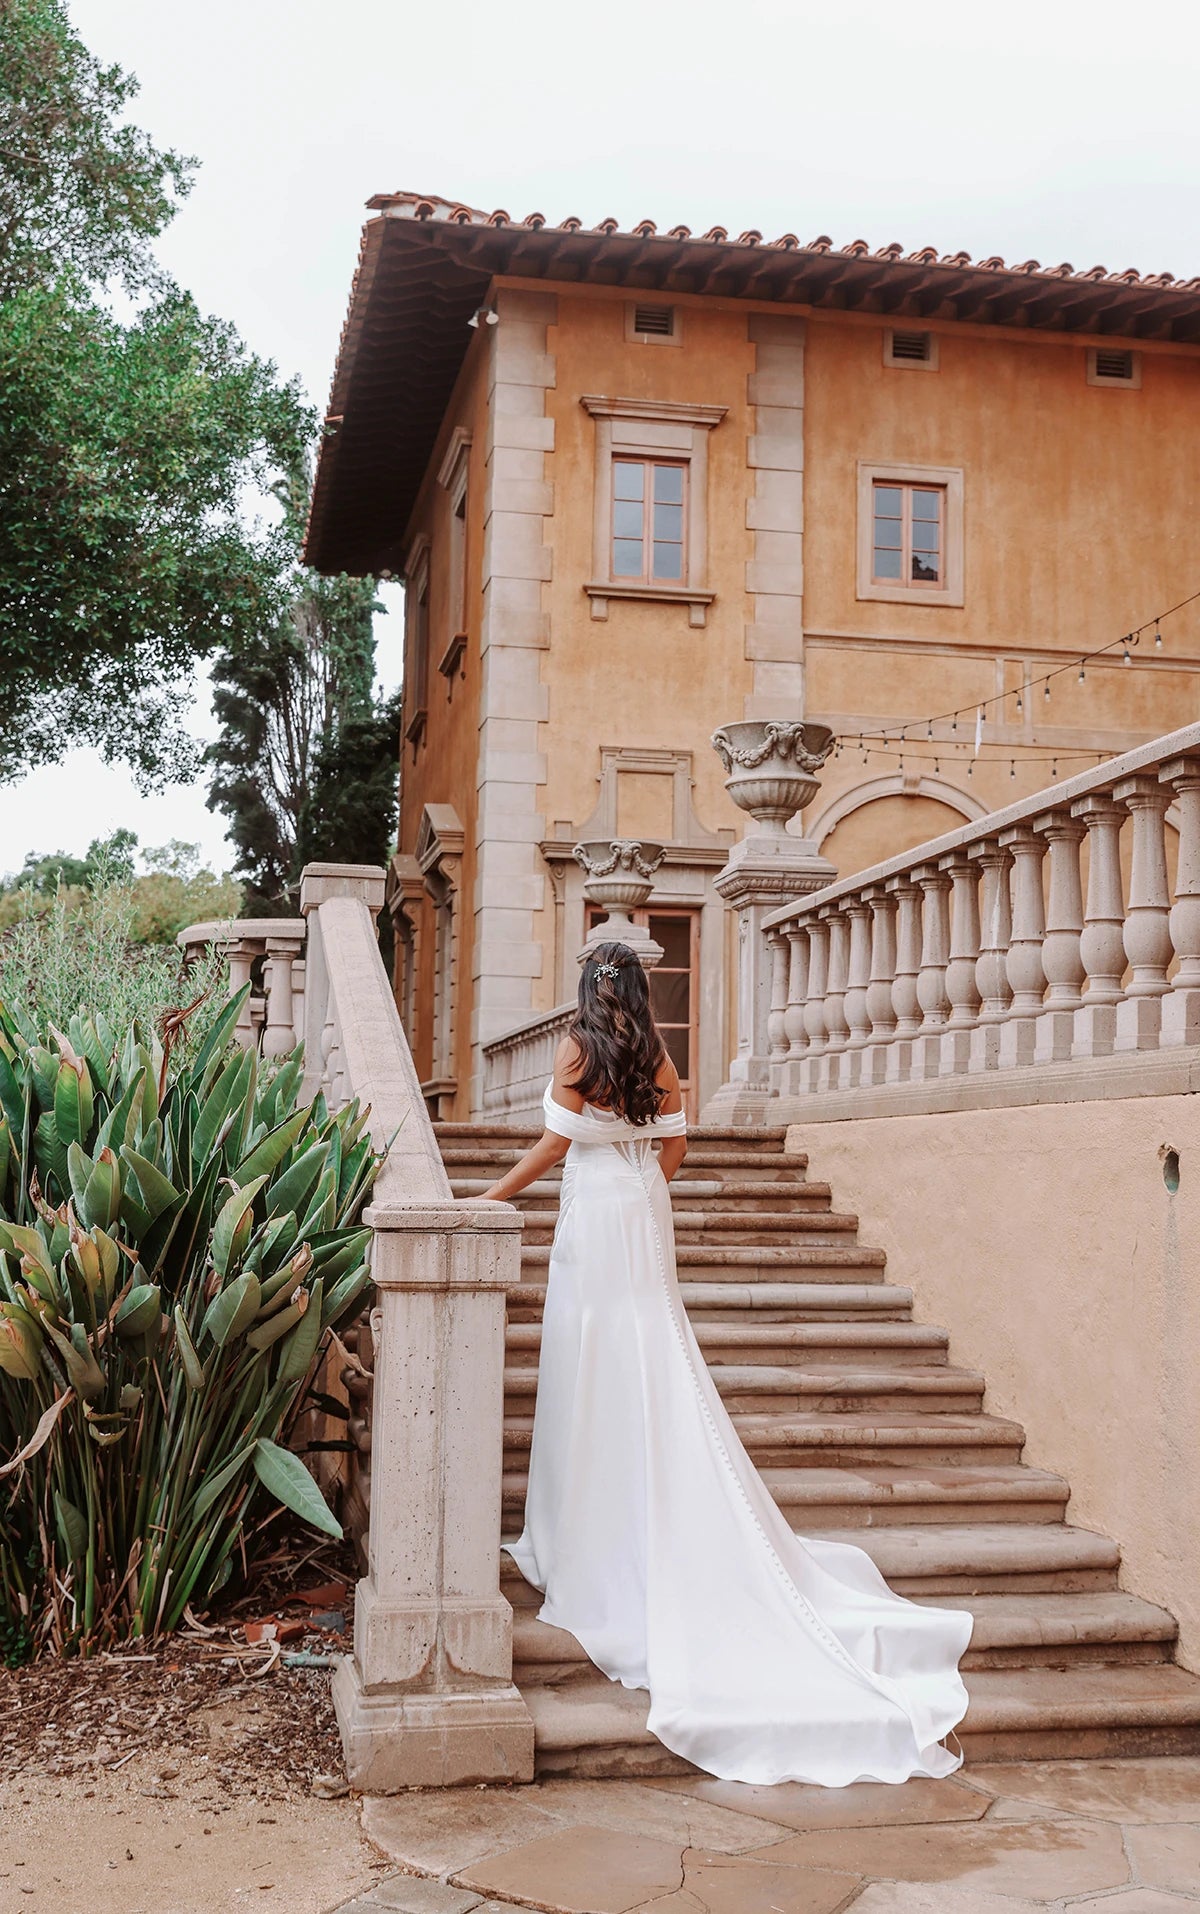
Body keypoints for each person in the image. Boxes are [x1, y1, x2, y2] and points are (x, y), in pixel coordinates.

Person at [483, 940, 971, 1787]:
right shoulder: (656, 1052)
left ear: (587, 989)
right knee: (651, 1344)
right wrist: (639, 1176)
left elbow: (554, 1147)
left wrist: (487, 1196)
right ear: (638, 987)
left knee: (590, 1358)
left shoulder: (575, 1049)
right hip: (642, 1206)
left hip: (595, 1214)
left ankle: (581, 1530)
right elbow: (674, 1149)